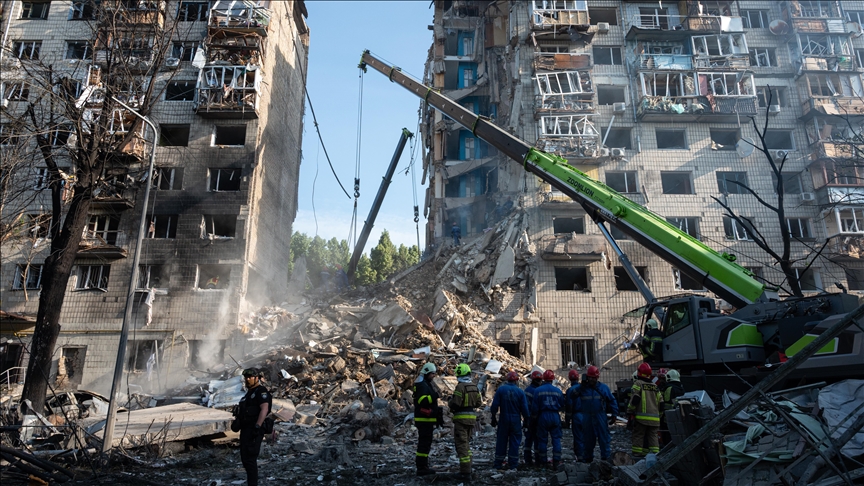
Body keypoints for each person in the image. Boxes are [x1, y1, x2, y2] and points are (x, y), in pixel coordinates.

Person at [576, 366, 618, 463]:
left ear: (597, 377)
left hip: (600, 416)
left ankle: (605, 458)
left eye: (594, 378)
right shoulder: (582, 389)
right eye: (590, 377)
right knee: (587, 439)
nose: (592, 379)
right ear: (587, 377)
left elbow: (612, 401)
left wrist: (614, 414)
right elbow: (572, 395)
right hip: (587, 417)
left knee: (604, 438)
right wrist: (581, 385)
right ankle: (588, 458)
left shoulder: (604, 388)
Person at [238, 368, 272, 486]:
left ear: (257, 378)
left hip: (254, 429)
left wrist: (257, 426)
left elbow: (264, 409)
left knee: (250, 458)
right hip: (246, 429)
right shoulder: (248, 394)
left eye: (250, 377)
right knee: (245, 459)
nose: (247, 379)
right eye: (246, 377)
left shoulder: (260, 392)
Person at [490, 371, 530, 470]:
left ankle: (498, 464)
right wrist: (526, 420)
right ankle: (513, 465)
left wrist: (493, 417)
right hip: (515, 419)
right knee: (515, 442)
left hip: (503, 418)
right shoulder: (520, 392)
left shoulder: (501, 390)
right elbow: (525, 409)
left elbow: (494, 406)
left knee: (501, 441)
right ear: (517, 380)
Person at [449, 363, 481, 479]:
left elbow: (456, 403)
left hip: (461, 420)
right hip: (471, 420)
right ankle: (469, 467)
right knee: (466, 443)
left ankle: (465, 472)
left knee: (461, 445)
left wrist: (450, 403)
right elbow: (479, 403)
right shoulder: (474, 387)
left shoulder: (460, 387)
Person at [627, 362, 663, 457]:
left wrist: (630, 411)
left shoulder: (638, 383)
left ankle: (637, 455)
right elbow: (661, 402)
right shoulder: (655, 386)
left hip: (641, 418)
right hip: (655, 418)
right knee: (653, 437)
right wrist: (660, 414)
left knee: (639, 435)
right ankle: (655, 455)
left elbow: (635, 399)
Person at [531, 370, 564, 470]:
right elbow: (562, 405)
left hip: (543, 416)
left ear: (543, 379)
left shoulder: (538, 391)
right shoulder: (558, 391)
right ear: (553, 379)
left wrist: (533, 420)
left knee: (542, 440)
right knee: (556, 439)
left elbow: (534, 408)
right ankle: (556, 461)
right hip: (554, 416)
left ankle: (543, 462)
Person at [413, 363, 442, 476]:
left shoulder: (424, 383)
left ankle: (423, 465)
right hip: (424, 420)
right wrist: (435, 396)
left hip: (426, 420)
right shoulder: (422, 385)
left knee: (425, 443)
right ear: (426, 373)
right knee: (424, 444)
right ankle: (421, 467)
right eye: (432, 373)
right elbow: (422, 401)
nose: (434, 376)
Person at [523, 370, 543, 467]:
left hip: (528, 418)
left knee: (528, 439)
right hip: (537, 418)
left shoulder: (526, 391)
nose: (540, 382)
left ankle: (528, 460)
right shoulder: (539, 391)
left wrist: (525, 419)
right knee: (537, 440)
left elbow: (524, 406)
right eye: (539, 380)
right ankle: (538, 461)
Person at [660, 369, 686, 445]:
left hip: (667, 417)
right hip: (680, 415)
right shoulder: (681, 388)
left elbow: (666, 402)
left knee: (667, 435)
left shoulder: (669, 388)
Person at [563, 369, 583, 461]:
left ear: (569, 378)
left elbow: (569, 406)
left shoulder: (570, 391)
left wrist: (567, 421)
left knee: (578, 436)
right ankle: (588, 455)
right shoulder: (584, 389)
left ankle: (580, 456)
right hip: (586, 415)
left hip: (576, 416)